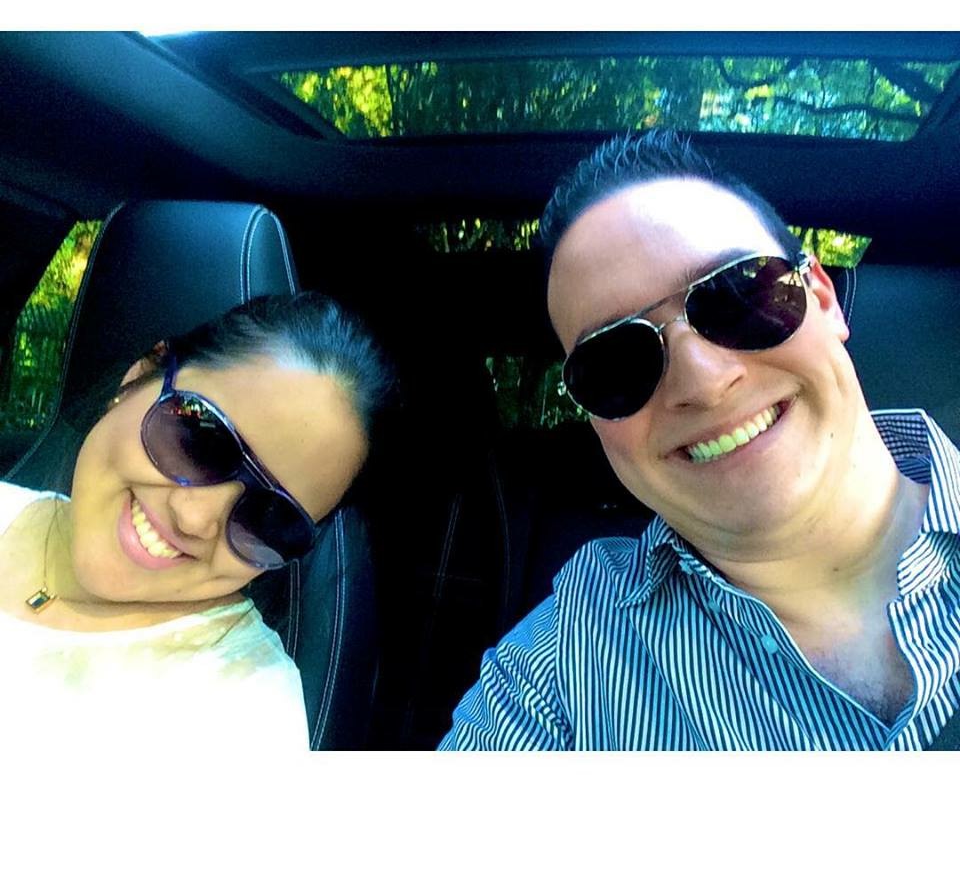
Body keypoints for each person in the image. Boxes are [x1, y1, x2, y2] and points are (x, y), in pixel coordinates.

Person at [440, 129, 960, 751]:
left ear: (823, 300)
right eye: (615, 361)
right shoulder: (557, 671)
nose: (705, 383)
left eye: (740, 294)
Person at [0, 291, 392, 751]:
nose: (195, 518)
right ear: (140, 376)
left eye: (270, 518)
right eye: (198, 438)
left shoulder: (244, 710)